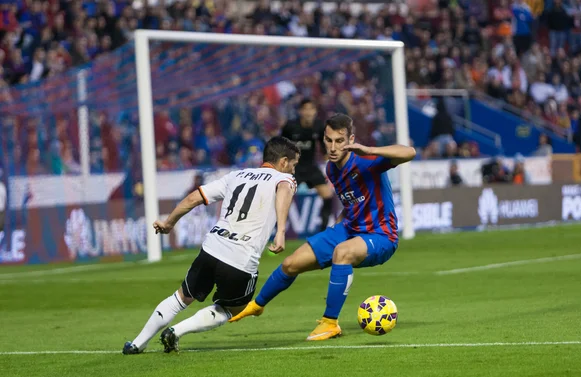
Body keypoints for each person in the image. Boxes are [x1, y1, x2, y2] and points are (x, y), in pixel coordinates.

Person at [230, 114, 416, 341]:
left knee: (342, 253)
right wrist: (335, 230)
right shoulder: (331, 169)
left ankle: (330, 323)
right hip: (349, 229)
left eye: (340, 141)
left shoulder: (367, 160)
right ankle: (256, 305)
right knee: (290, 264)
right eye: (329, 140)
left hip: (381, 235)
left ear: (351, 140)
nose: (333, 147)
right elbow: (350, 203)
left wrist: (368, 149)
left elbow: (410, 152)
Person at [123, 137, 300, 354]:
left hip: (211, 248)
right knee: (233, 308)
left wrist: (169, 223)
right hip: (240, 257)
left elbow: (193, 198)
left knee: (180, 297)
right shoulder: (285, 179)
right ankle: (176, 331)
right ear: (283, 162)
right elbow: (284, 189)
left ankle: (136, 344)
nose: (293, 171)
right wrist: (281, 231)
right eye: (293, 165)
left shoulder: (236, 175)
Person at [281, 98, 334, 231]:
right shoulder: (290, 126)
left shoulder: (319, 126)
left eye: (311, 109)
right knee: (282, 198)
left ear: (315, 111)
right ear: (300, 111)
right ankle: (275, 230)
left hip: (311, 167)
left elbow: (323, 149)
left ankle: (323, 231)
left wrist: (330, 160)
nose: (308, 112)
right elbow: (280, 145)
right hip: (293, 169)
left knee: (328, 196)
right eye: (306, 109)